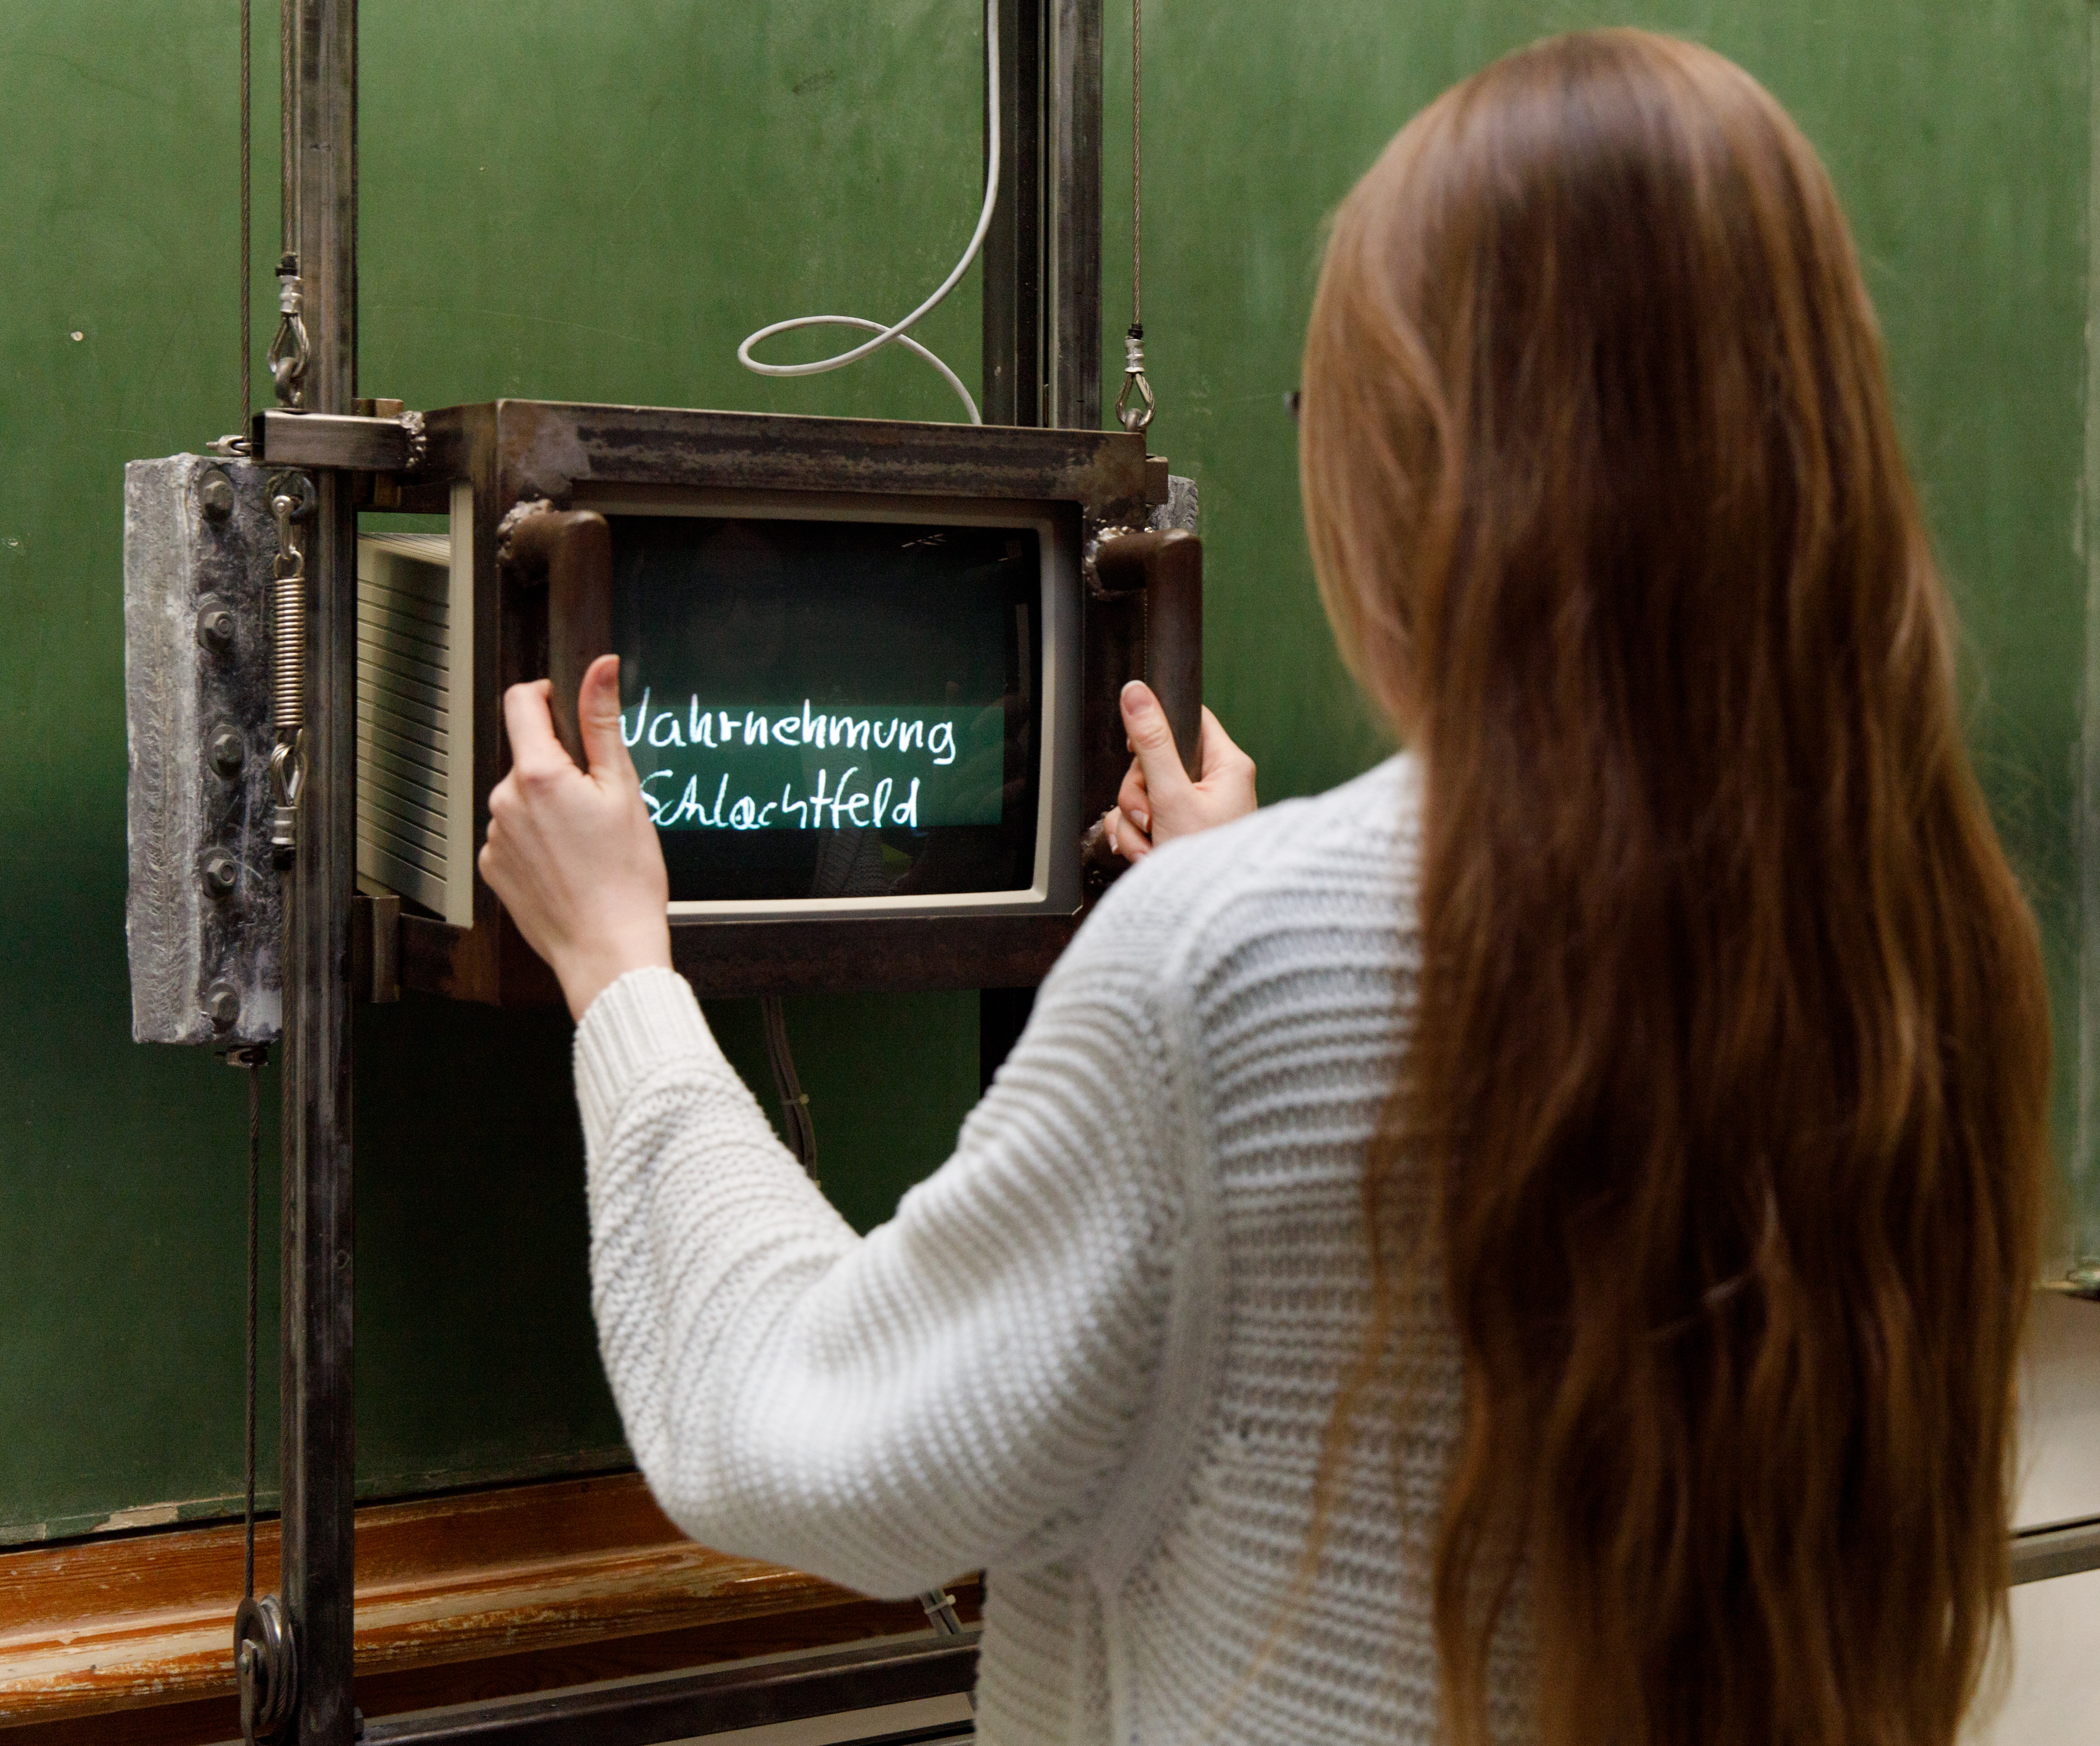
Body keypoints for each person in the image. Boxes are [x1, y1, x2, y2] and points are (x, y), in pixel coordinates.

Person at [477, 28, 2050, 1746]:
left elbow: (813, 1436)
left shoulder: (1227, 972)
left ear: (1429, 472)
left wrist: (622, 973)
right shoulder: (1931, 945)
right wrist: (1256, 906)